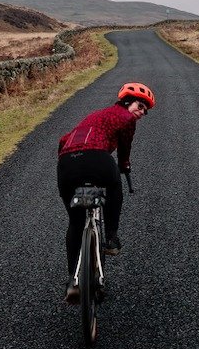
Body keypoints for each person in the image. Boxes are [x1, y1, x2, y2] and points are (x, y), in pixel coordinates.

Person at [57, 82, 155, 304]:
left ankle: (74, 281)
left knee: (75, 221)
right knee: (114, 188)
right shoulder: (125, 118)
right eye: (140, 106)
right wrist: (124, 165)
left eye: (145, 111)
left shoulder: (94, 116)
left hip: (66, 164)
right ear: (126, 102)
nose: (141, 113)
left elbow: (63, 140)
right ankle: (111, 238)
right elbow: (124, 149)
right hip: (97, 159)